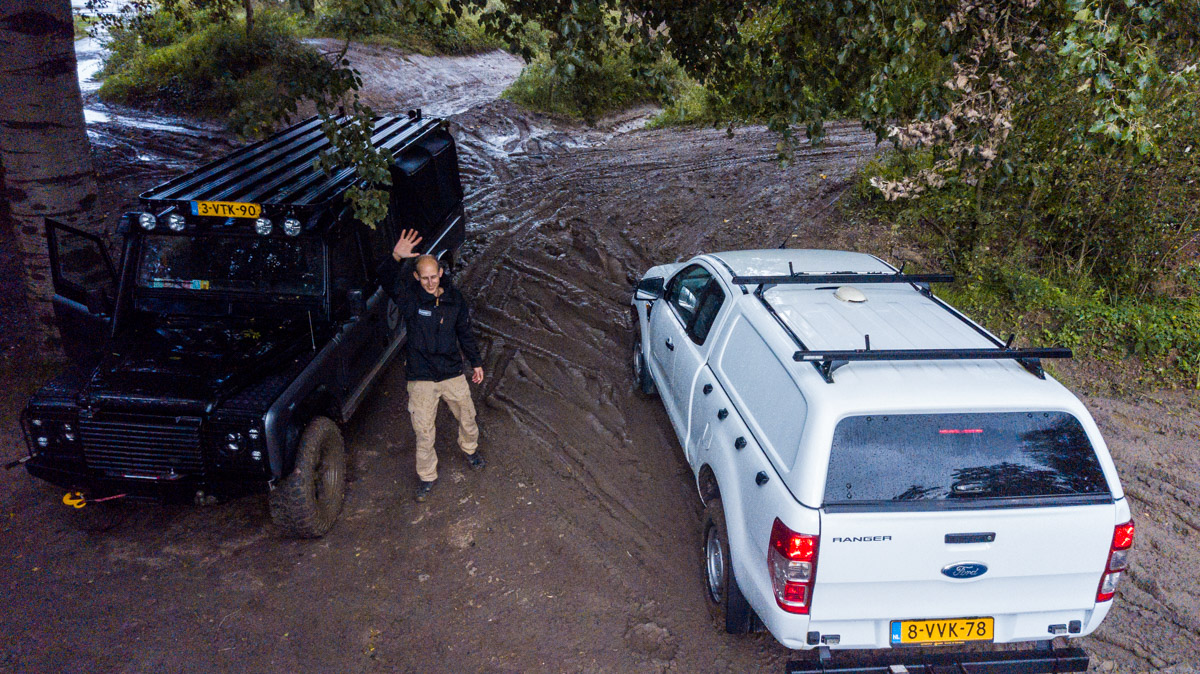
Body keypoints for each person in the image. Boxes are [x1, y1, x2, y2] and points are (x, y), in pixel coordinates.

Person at [379, 229, 485, 502]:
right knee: (423, 431)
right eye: (423, 277)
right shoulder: (410, 300)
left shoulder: (454, 299)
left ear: (441, 273)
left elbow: (465, 332)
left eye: (433, 276)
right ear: (417, 277)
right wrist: (395, 257)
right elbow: (386, 280)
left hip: (451, 372)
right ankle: (427, 477)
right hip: (421, 376)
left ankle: (470, 450)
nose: (429, 282)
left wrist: (476, 362)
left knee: (467, 416)